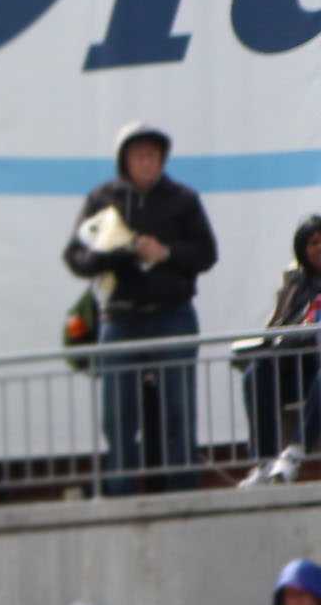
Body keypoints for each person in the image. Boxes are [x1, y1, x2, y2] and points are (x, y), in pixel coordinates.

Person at [63, 121, 218, 495]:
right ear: (125, 160)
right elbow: (75, 255)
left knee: (178, 411)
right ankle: (120, 494)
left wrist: (166, 253)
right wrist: (113, 255)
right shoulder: (103, 199)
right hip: (120, 316)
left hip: (172, 315)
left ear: (162, 159)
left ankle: (183, 492)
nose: (146, 162)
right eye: (138, 155)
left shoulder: (183, 199)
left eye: (153, 155)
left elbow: (207, 253)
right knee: (118, 415)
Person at [233, 214, 321, 485]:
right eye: (313, 243)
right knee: (257, 372)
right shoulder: (296, 287)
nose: (319, 248)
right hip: (298, 363)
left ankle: (293, 453)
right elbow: (278, 328)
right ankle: (265, 460)